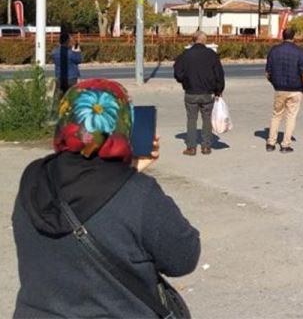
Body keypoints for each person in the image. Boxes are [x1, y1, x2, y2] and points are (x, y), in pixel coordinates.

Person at [12, 79, 200, 317]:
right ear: (122, 124)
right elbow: (184, 257)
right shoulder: (138, 193)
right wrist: (130, 175)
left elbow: (87, 192)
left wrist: (129, 171)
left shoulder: (35, 178)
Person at [173, 31, 225, 156]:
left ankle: (191, 147)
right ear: (204, 40)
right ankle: (206, 147)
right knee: (207, 119)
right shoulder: (211, 55)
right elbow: (219, 74)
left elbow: (178, 73)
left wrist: (184, 81)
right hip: (207, 93)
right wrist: (219, 90)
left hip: (191, 92)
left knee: (191, 119)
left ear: (193, 40)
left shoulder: (185, 55)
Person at [265, 27, 303, 153]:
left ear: (282, 36)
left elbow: (268, 73)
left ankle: (271, 143)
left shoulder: (274, 51)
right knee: (291, 117)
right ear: (293, 37)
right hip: (296, 90)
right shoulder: (300, 52)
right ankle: (285, 145)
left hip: (279, 89)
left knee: (276, 115)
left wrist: (275, 83)